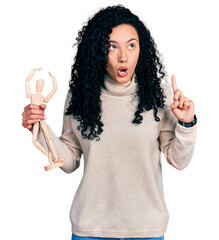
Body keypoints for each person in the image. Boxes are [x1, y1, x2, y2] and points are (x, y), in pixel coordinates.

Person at [22, 4, 197, 240]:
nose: (123, 56)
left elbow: (178, 160)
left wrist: (186, 125)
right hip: (90, 229)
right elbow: (70, 160)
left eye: (131, 45)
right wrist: (39, 127)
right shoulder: (81, 96)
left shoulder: (159, 96)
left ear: (141, 49)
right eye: (111, 46)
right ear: (97, 50)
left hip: (146, 230)